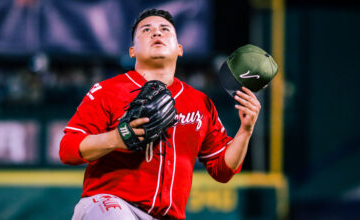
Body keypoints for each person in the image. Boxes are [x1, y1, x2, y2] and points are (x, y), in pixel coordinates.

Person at [59, 8, 261, 220]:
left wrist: (245, 131)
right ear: (132, 51)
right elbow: (67, 149)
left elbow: (222, 170)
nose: (156, 33)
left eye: (165, 29)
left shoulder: (199, 103)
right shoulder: (108, 91)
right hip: (110, 204)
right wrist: (115, 138)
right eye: (146, 30)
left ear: (180, 49)